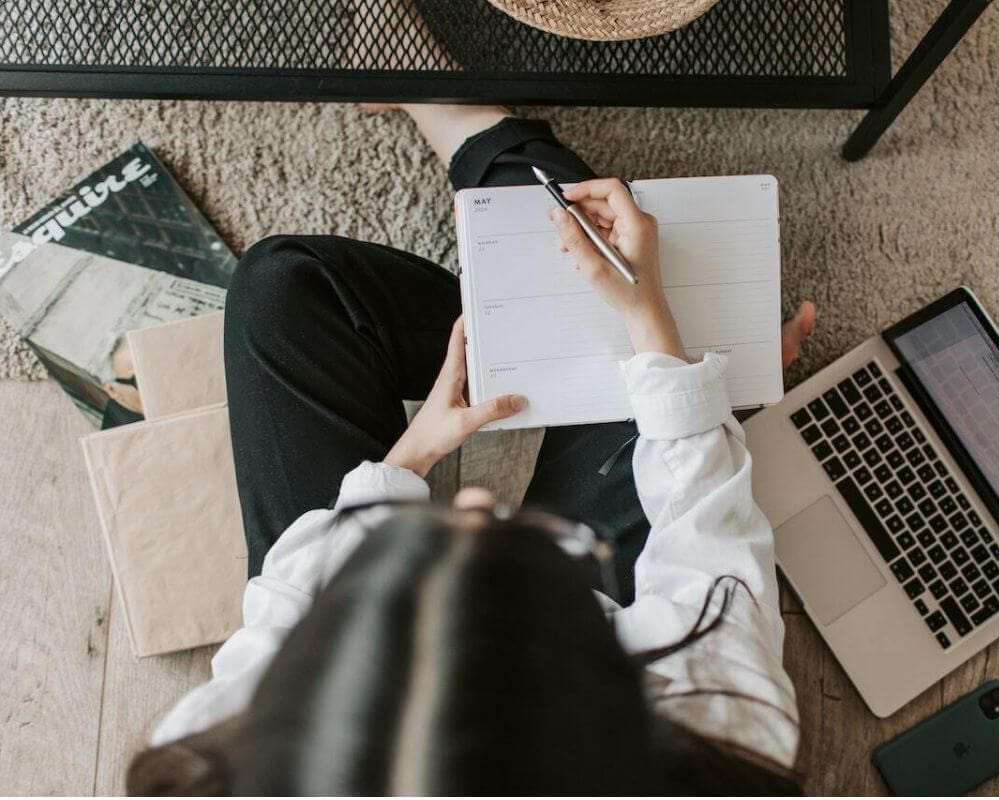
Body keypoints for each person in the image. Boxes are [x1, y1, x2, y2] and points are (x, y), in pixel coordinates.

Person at [127, 104, 818, 794]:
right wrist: (656, 327)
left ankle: (480, 141)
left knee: (284, 284)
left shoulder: (212, 762)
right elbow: (707, 535)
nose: (478, 497)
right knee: (673, 360)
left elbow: (285, 608)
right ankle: (473, 128)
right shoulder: (720, 737)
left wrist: (408, 460)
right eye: (529, 547)